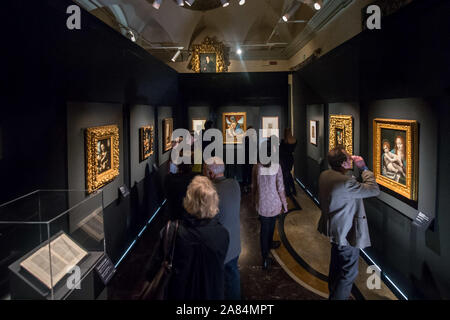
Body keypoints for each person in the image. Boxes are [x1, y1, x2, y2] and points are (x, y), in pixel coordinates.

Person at [146, 176, 229, 300]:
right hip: (212, 294)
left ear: (188, 200)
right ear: (214, 201)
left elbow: (151, 272)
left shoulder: (172, 231)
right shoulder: (223, 234)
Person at [317, 146, 380, 300]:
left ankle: (334, 291)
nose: (351, 158)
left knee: (336, 267)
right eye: (348, 157)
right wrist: (363, 167)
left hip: (334, 230)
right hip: (346, 234)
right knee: (348, 274)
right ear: (343, 164)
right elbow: (373, 189)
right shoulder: (346, 183)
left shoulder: (325, 174)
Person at [204, 157, 242, 300]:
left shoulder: (210, 193)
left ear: (210, 174)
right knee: (233, 277)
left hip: (218, 248)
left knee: (216, 283)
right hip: (235, 243)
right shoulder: (235, 184)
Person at [252, 138, 288, 270]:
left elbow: (254, 187)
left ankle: (265, 253)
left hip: (262, 203)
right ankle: (267, 252)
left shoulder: (256, 167)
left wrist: (253, 200)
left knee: (264, 229)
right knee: (272, 224)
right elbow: (281, 188)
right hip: (274, 203)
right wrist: (285, 205)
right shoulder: (276, 167)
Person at [164, 151, 198, 221]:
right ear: (192, 164)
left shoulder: (169, 179)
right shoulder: (197, 179)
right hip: (191, 218)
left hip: (174, 217)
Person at [279, 128, 297, 197]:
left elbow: (280, 151)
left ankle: (288, 191)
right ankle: (293, 189)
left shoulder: (284, 141)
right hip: (290, 159)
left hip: (284, 160)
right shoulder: (294, 140)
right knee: (288, 174)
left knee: (285, 175)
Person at [243, 126, 256, 193]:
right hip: (247, 158)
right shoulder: (247, 139)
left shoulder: (245, 139)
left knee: (247, 173)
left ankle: (247, 186)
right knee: (248, 173)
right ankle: (247, 186)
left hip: (247, 158)